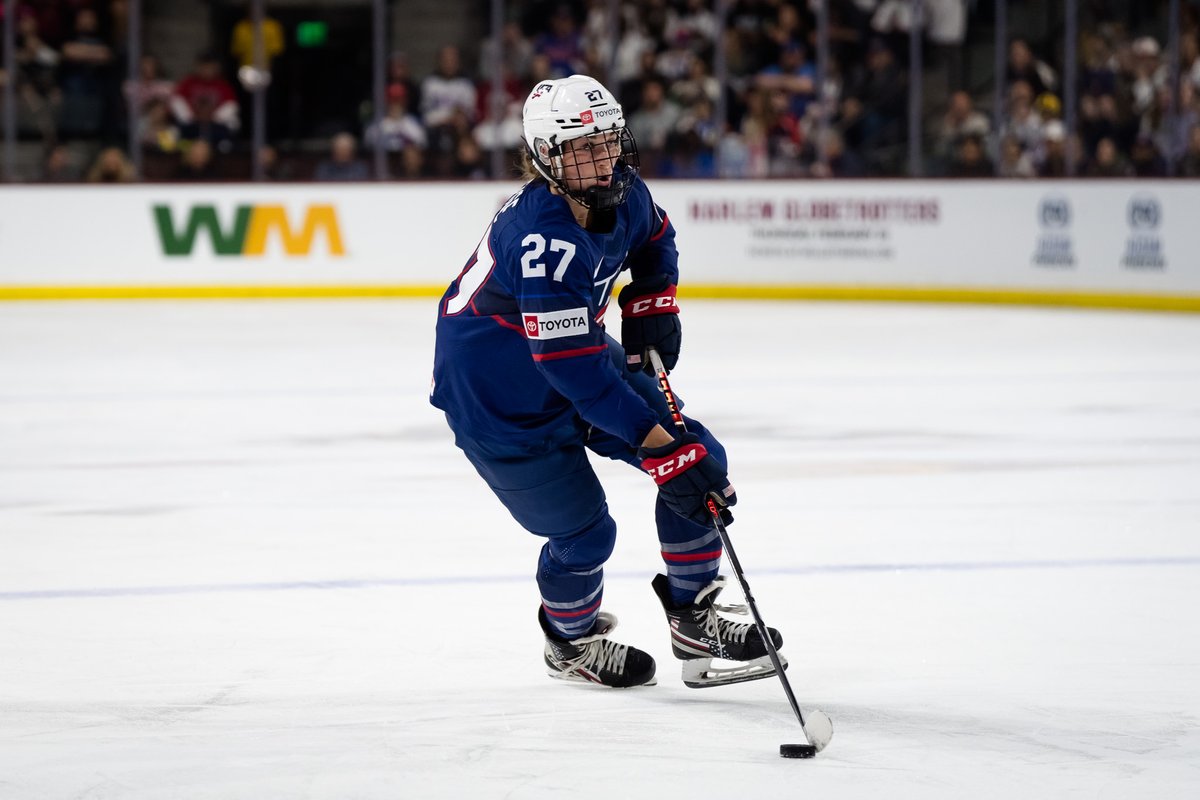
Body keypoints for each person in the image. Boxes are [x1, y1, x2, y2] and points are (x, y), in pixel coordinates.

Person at [429, 75, 783, 689]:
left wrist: (651, 305)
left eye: (608, 142)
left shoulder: (626, 194)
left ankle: (693, 617)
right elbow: (570, 367)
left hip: (573, 361)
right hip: (500, 402)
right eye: (580, 148)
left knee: (702, 461)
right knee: (585, 531)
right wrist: (658, 449)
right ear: (546, 158)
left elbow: (655, 239)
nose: (600, 159)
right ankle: (569, 642)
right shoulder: (542, 242)